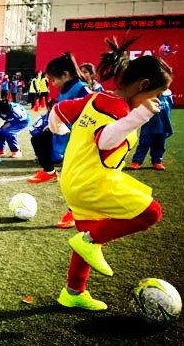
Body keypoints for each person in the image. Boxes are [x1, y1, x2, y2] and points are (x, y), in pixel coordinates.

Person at [50, 37, 171, 311]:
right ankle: (90, 241)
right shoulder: (122, 109)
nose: (157, 101)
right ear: (142, 85)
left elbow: (59, 109)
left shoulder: (98, 97)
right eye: (157, 94)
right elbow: (105, 141)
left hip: (74, 179)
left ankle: (73, 293)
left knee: (89, 239)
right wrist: (139, 117)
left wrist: (58, 127)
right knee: (151, 213)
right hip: (92, 182)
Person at [27, 52, 92, 187]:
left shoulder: (81, 88)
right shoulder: (65, 89)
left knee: (74, 173)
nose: (52, 83)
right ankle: (50, 173)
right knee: (38, 140)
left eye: (53, 79)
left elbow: (93, 105)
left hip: (78, 135)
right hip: (63, 132)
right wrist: (52, 125)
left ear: (65, 75)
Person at [129, 89, 174, 170]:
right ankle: (136, 161)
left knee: (160, 144)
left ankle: (157, 161)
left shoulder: (168, 93)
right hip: (148, 124)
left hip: (162, 124)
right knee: (144, 143)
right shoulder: (148, 92)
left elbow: (170, 106)